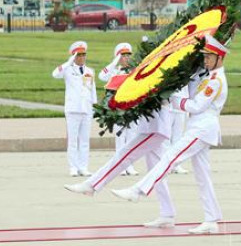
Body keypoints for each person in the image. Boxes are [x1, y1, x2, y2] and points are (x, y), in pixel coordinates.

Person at [111, 35, 230, 234]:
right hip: (198, 127)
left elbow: (196, 105)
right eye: (205, 57)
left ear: (219, 58)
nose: (205, 60)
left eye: (209, 57)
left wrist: (172, 98)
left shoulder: (216, 81)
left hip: (202, 129)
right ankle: (211, 218)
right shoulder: (209, 77)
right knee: (202, 175)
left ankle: (138, 190)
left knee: (170, 157)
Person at [63, 103, 178, 229]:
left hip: (157, 127)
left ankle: (92, 185)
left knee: (125, 154)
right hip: (151, 124)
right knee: (155, 172)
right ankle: (167, 213)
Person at [52, 41, 97, 177]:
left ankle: (83, 167)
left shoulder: (90, 71)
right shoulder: (67, 70)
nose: (82, 57)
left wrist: (94, 106)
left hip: (86, 109)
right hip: (73, 109)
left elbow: (92, 90)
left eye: (84, 54)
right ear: (73, 56)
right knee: (73, 140)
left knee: (84, 140)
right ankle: (73, 167)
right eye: (79, 55)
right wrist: (68, 62)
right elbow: (55, 74)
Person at [98, 42, 139, 176]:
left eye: (128, 55)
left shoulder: (133, 70)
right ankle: (119, 165)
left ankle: (129, 165)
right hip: (119, 108)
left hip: (131, 107)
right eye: (123, 56)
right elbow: (101, 76)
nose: (126, 58)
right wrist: (114, 62)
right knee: (121, 138)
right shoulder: (114, 71)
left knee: (132, 137)